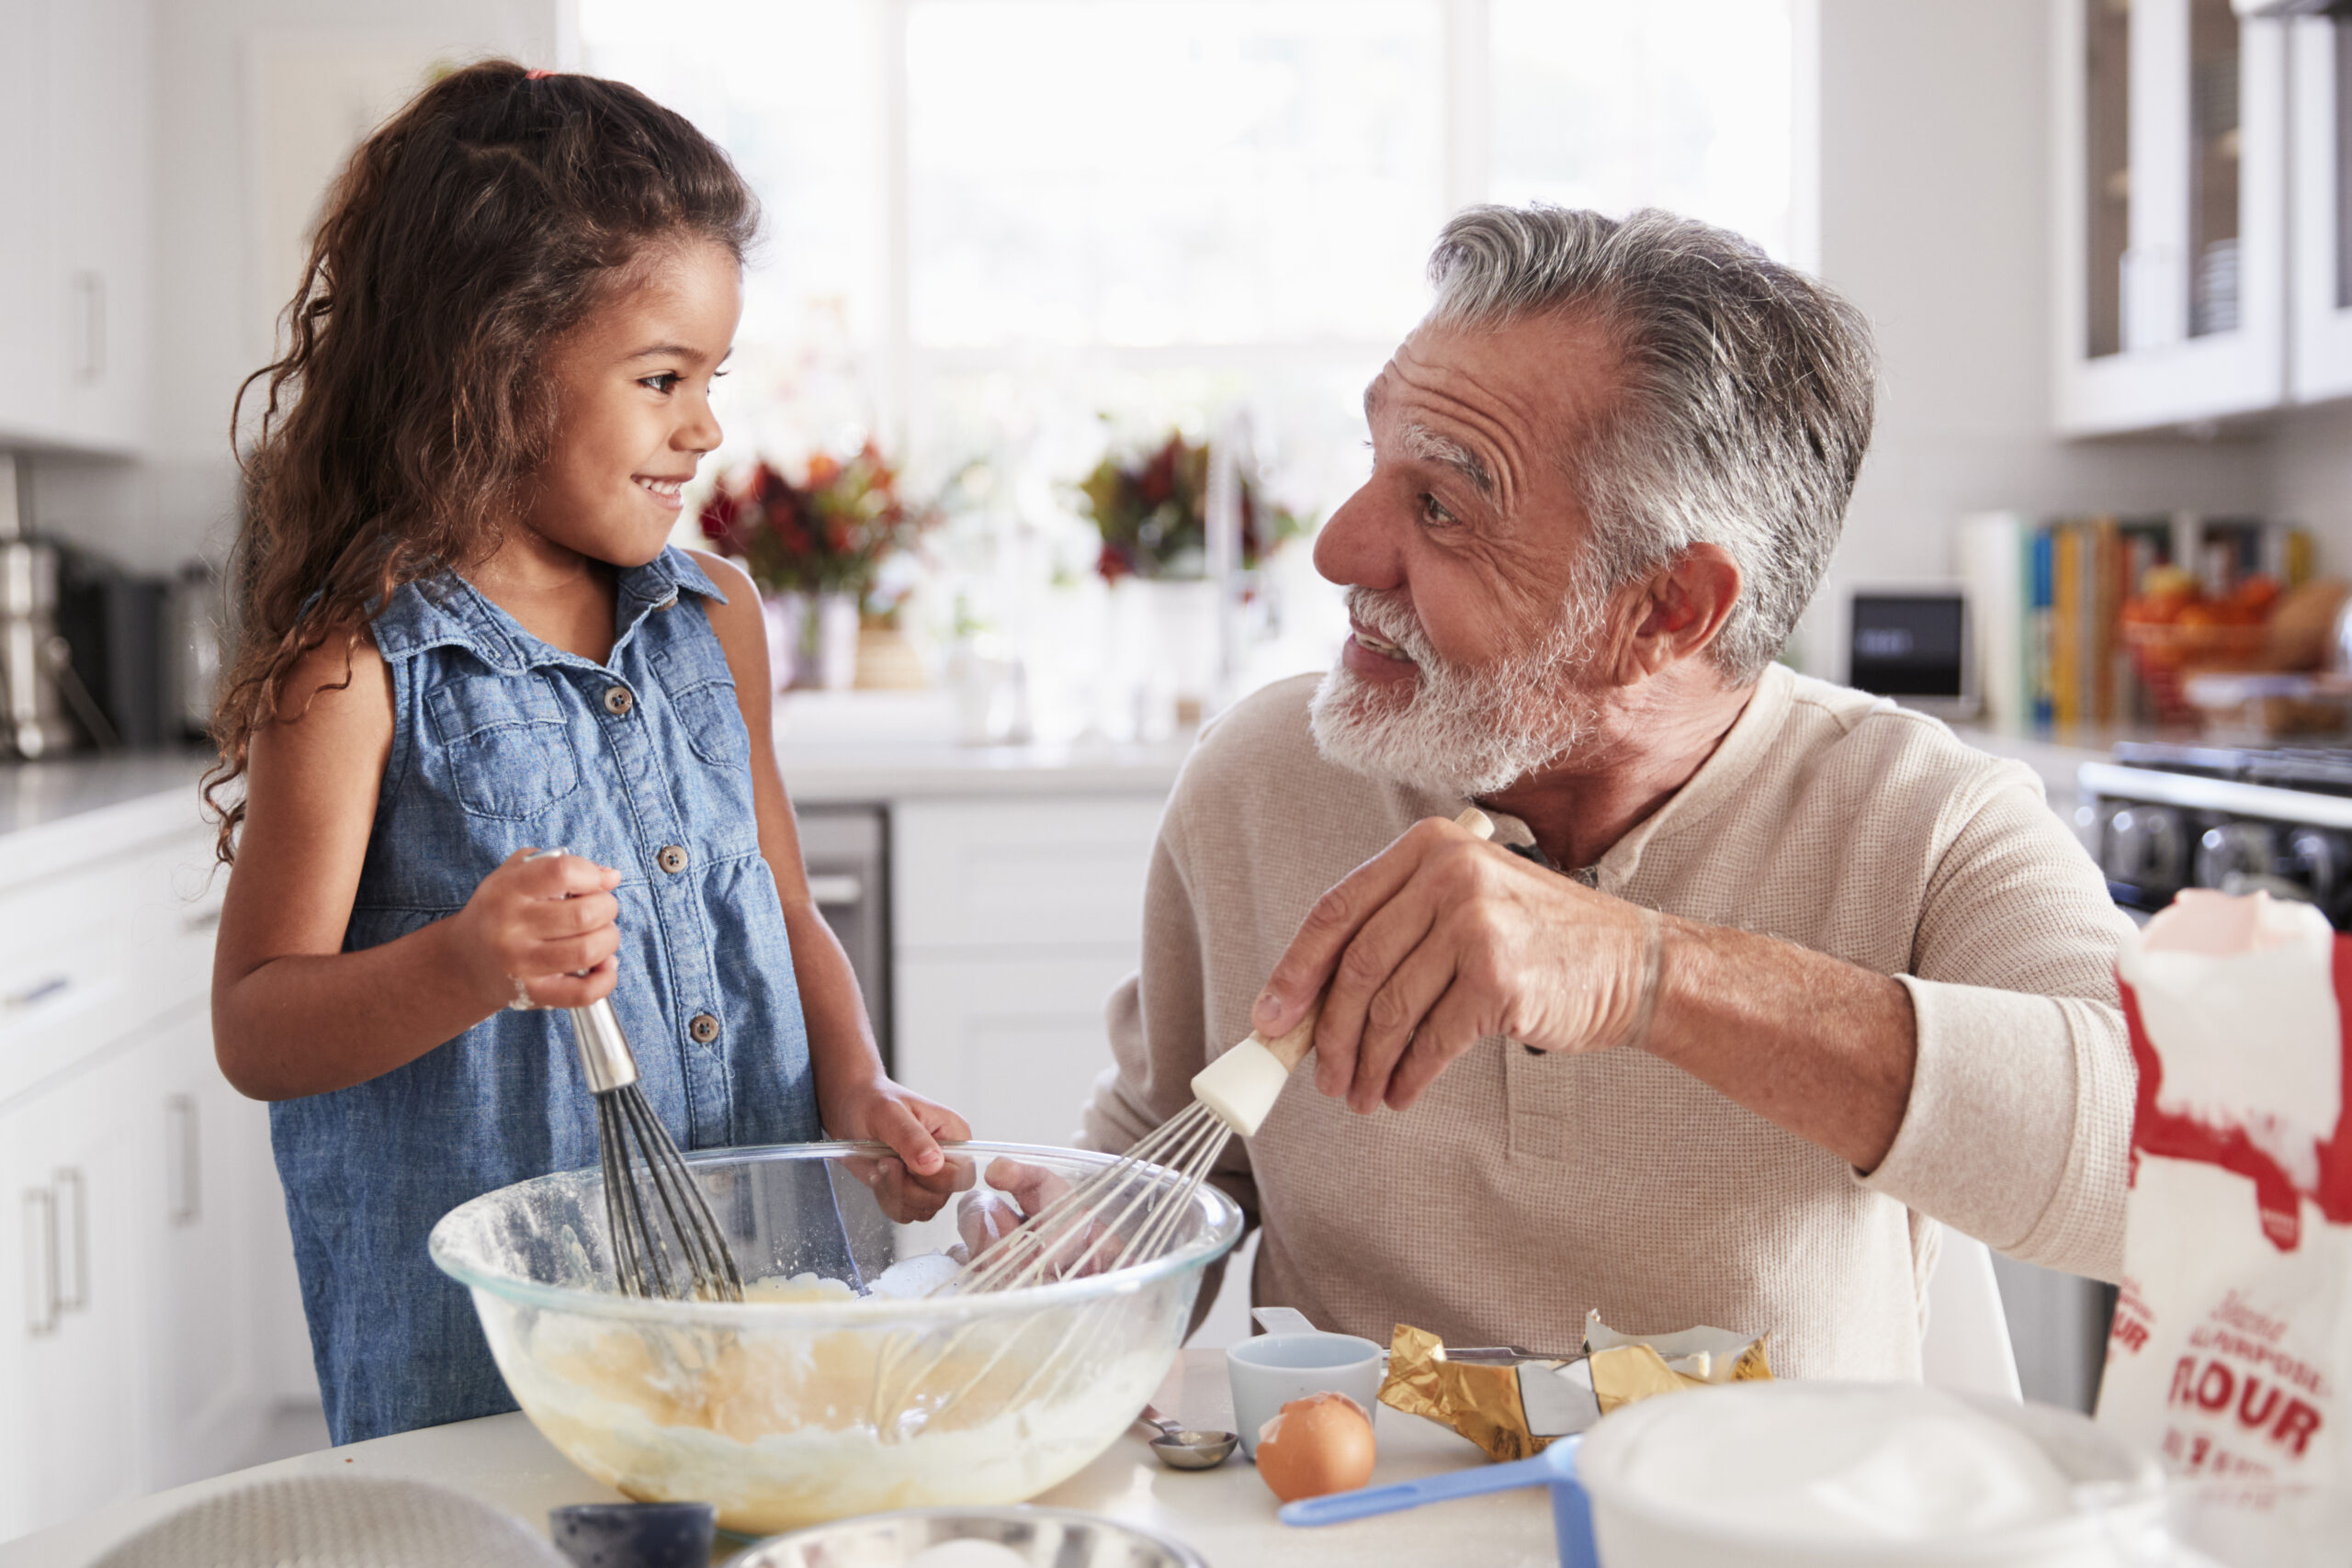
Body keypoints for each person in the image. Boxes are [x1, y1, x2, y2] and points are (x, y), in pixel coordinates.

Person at [1079, 206, 2135, 1377]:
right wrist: (1065, 1252)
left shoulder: (1925, 819)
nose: (1338, 550)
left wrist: (1643, 972)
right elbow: (1172, 1166)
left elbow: (2159, 1165)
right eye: (1374, 465)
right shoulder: (1262, 780)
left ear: (1667, 610)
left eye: (1440, 507)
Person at [207, 62, 967, 1444]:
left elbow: (783, 907)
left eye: (713, 378)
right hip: (492, 1368)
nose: (707, 423)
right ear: (493, 365)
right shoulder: (360, 664)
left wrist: (858, 1086)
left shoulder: (716, 619)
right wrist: (463, 961)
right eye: (662, 377)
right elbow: (257, 1021)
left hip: (756, 1302)